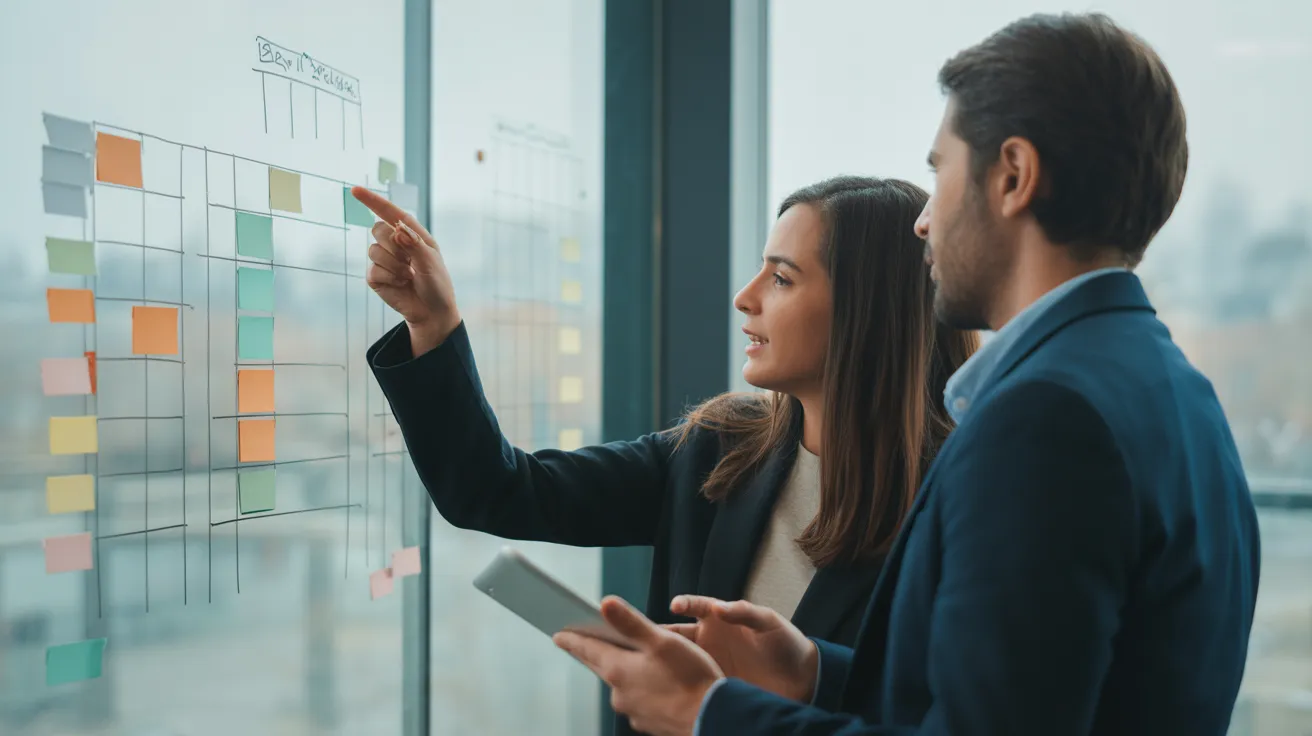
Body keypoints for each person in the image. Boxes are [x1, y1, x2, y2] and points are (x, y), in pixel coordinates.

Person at [549, 12, 1262, 736]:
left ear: (1013, 176)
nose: (924, 221)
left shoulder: (1044, 420)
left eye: (939, 172)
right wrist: (816, 673)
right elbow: (1025, 697)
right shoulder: (1177, 391)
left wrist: (709, 712)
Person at [355, 176, 977, 736]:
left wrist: (808, 677)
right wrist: (433, 324)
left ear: (867, 313)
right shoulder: (717, 450)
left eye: (782, 278)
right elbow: (496, 489)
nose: (744, 296)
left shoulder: (965, 502)